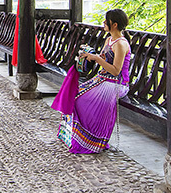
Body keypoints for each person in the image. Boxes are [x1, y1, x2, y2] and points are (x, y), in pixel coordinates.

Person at [52, 9, 131, 153]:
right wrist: (91, 54)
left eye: (106, 21)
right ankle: (78, 137)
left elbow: (116, 70)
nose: (104, 23)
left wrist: (97, 59)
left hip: (116, 83)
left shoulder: (120, 44)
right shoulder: (109, 40)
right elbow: (104, 57)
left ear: (114, 24)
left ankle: (93, 139)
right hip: (103, 78)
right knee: (75, 95)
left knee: (81, 100)